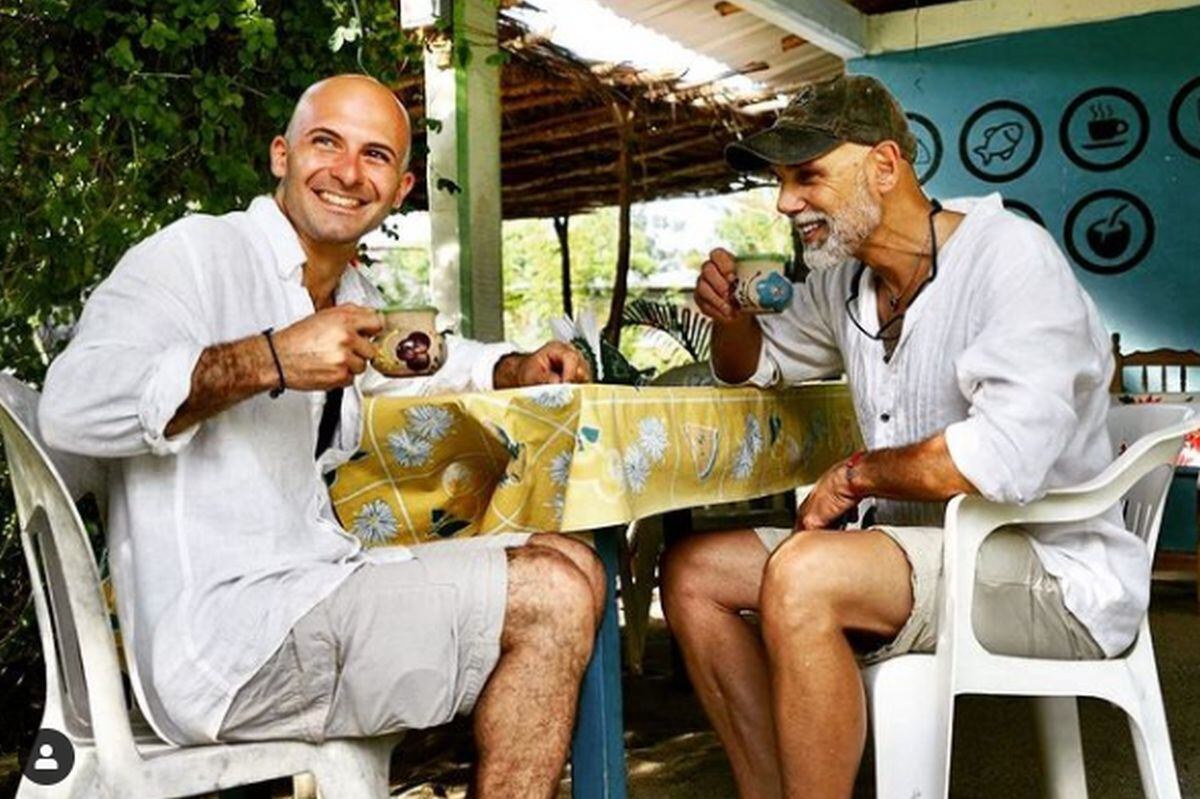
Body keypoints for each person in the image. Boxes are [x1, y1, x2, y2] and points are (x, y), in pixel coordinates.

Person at [40, 74, 603, 798]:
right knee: (551, 595)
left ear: (399, 189)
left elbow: (406, 362)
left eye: (374, 155)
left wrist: (510, 365)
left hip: (309, 588)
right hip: (229, 643)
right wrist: (267, 358)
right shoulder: (193, 256)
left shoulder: (346, 291)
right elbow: (71, 406)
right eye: (325, 143)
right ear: (281, 155)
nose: (346, 171)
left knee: (572, 560)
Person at [663, 74, 1136, 798]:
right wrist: (732, 318)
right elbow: (753, 365)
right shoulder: (845, 282)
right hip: (915, 559)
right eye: (782, 181)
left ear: (885, 166)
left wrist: (855, 475)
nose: (785, 203)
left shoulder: (1011, 258)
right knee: (694, 573)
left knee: (805, 571)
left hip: (1049, 572)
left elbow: (1000, 457)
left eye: (808, 176)